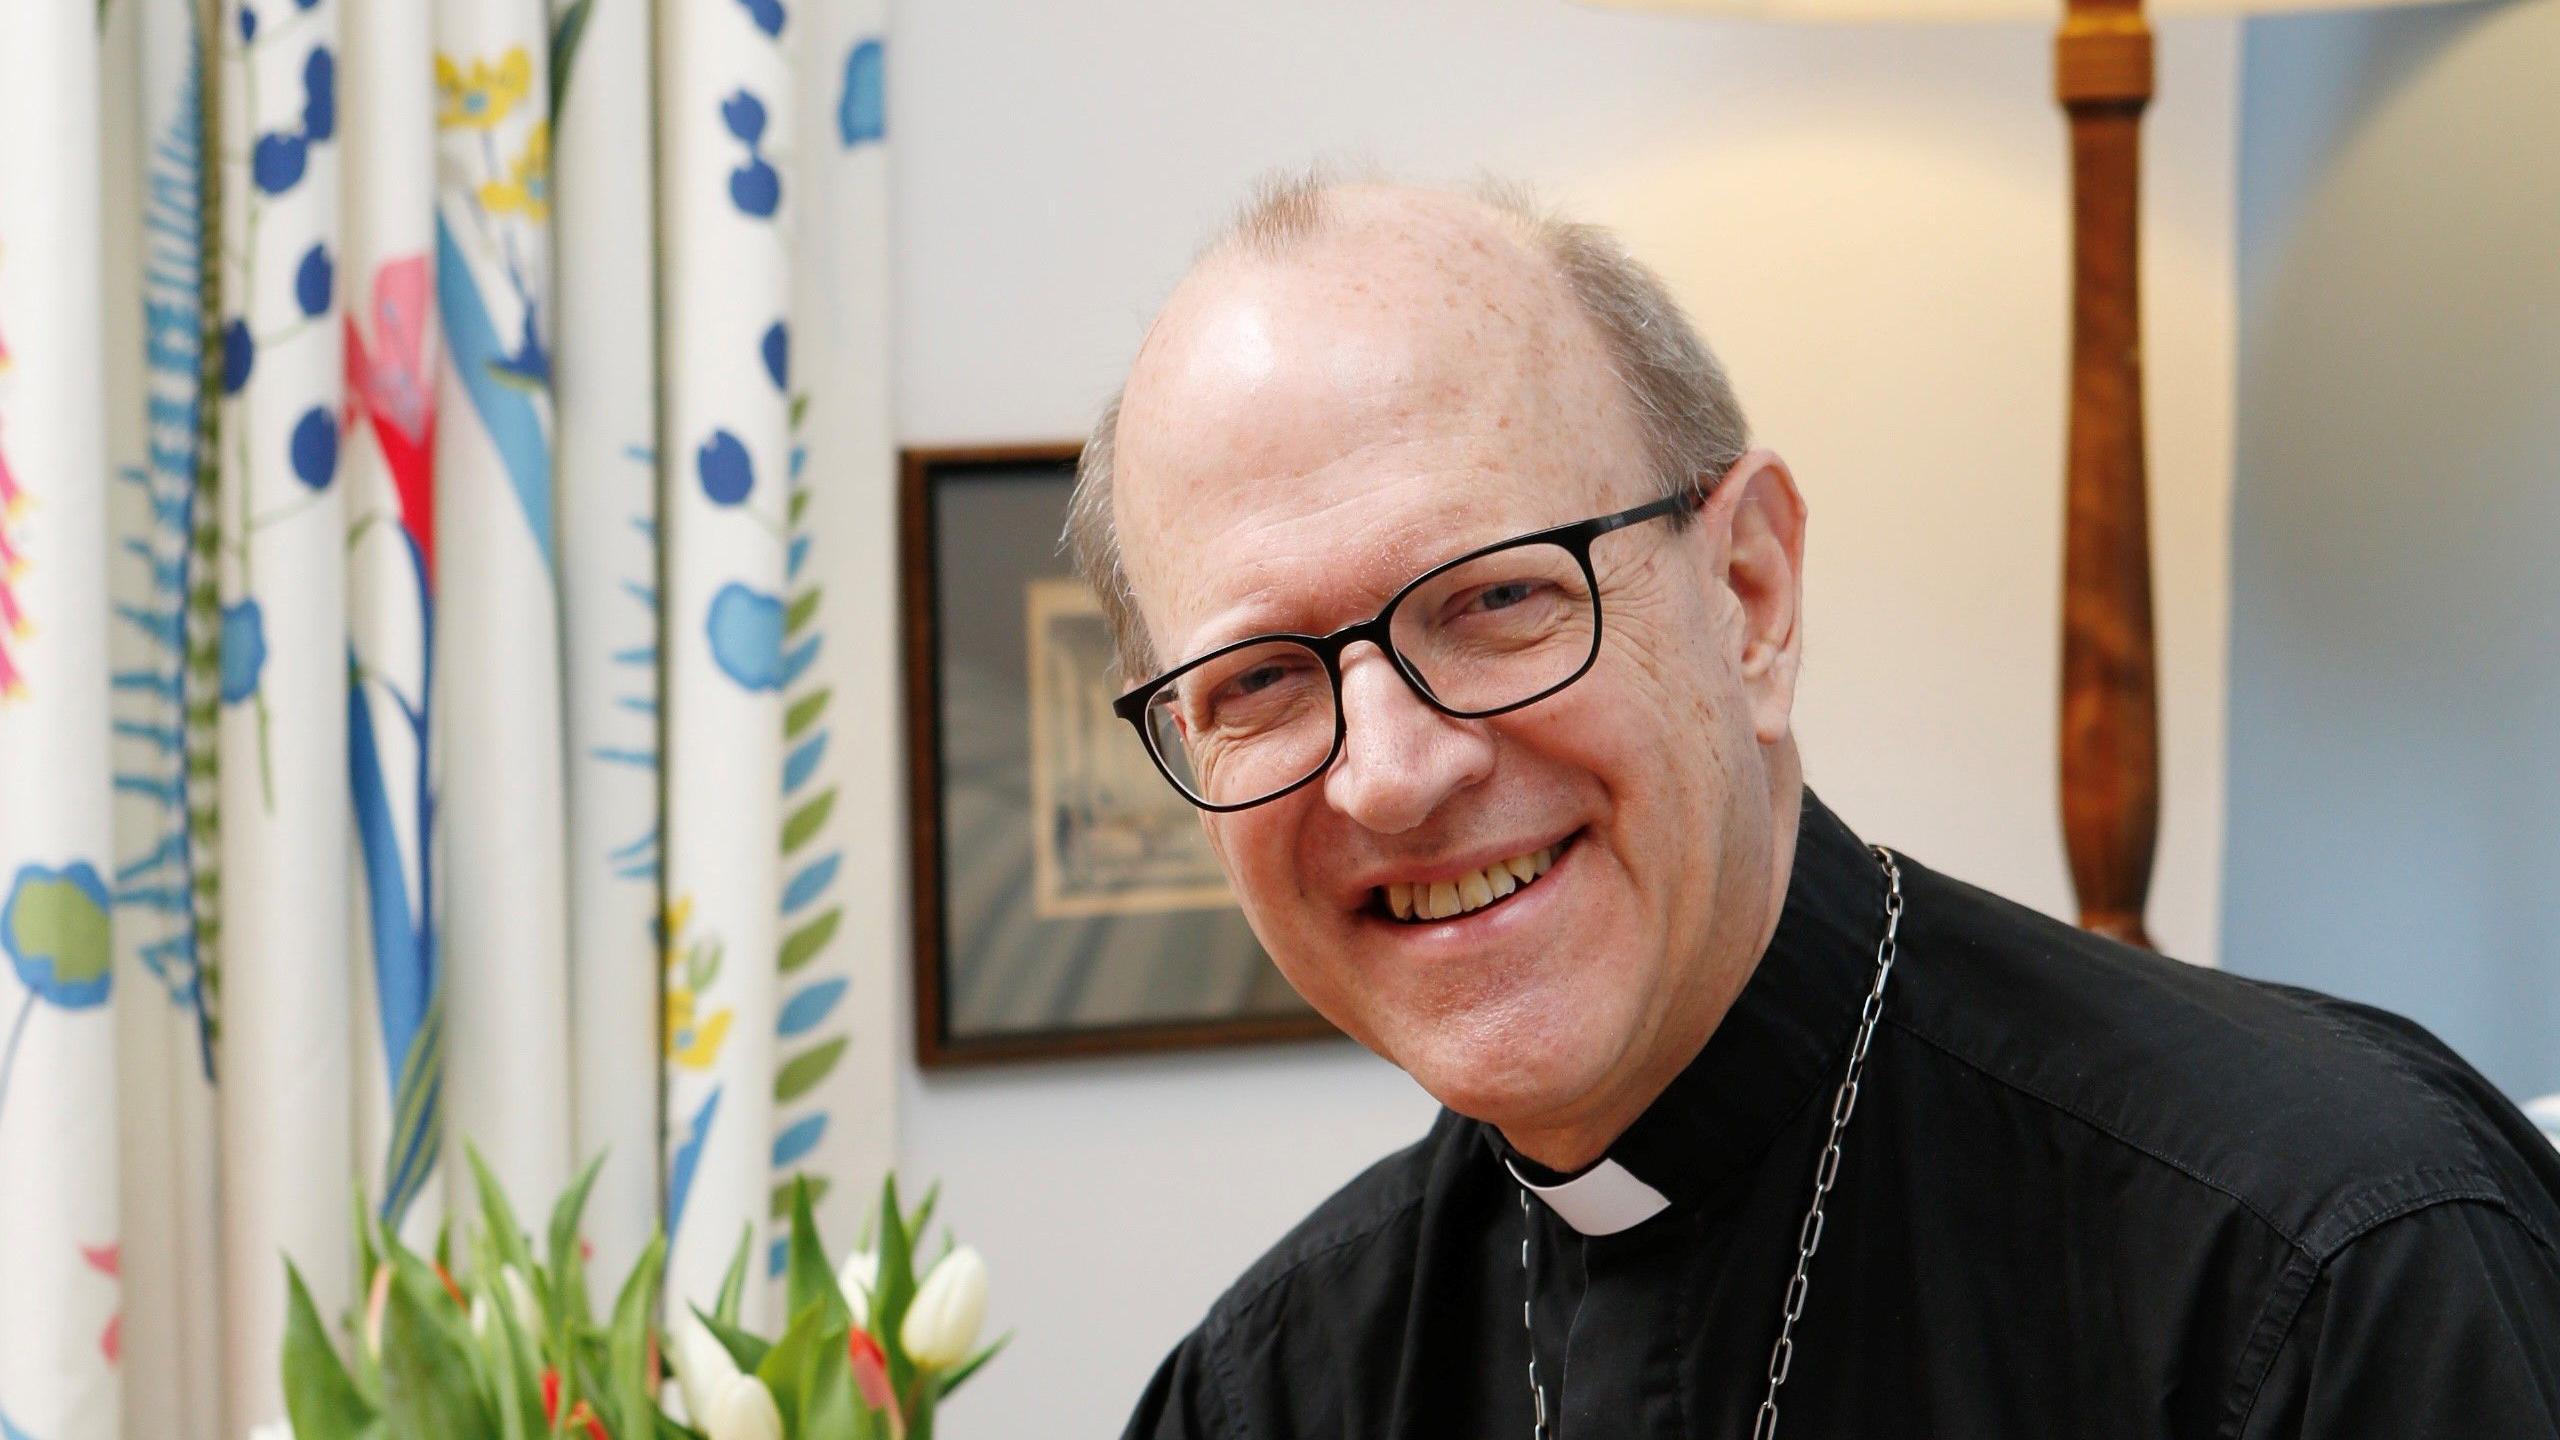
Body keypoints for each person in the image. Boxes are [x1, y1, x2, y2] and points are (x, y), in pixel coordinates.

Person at [1067, 171, 2560, 1439]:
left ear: (1749, 595)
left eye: (1499, 599)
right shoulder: (1263, 1393)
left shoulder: (2327, 1261)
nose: (1391, 774)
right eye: (1257, 682)